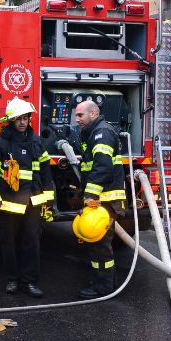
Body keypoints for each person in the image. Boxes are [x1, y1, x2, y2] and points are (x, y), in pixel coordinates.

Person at [0, 98, 54, 298]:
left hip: (32, 202)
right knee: (8, 243)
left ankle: (30, 281)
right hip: (7, 202)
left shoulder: (36, 142)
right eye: (19, 119)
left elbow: (45, 172)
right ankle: (12, 280)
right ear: (11, 120)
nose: (23, 122)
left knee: (31, 242)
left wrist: (49, 198)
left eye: (25, 118)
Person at [74, 100, 126, 299]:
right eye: (77, 115)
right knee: (99, 244)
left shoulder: (101, 133)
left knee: (99, 244)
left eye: (81, 115)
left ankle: (103, 288)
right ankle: (106, 282)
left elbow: (103, 167)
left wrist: (90, 195)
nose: (77, 119)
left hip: (104, 200)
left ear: (94, 113)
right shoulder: (96, 133)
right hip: (102, 199)